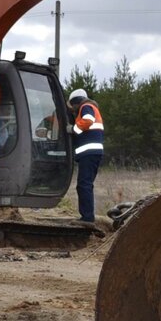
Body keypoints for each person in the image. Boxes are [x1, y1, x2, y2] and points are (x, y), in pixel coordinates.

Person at [68, 88, 103, 223]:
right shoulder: (89, 106)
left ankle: (87, 218)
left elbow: (87, 121)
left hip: (89, 153)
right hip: (92, 153)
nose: (73, 108)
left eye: (73, 104)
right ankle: (87, 216)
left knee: (84, 185)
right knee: (86, 184)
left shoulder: (86, 106)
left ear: (76, 101)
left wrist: (73, 129)